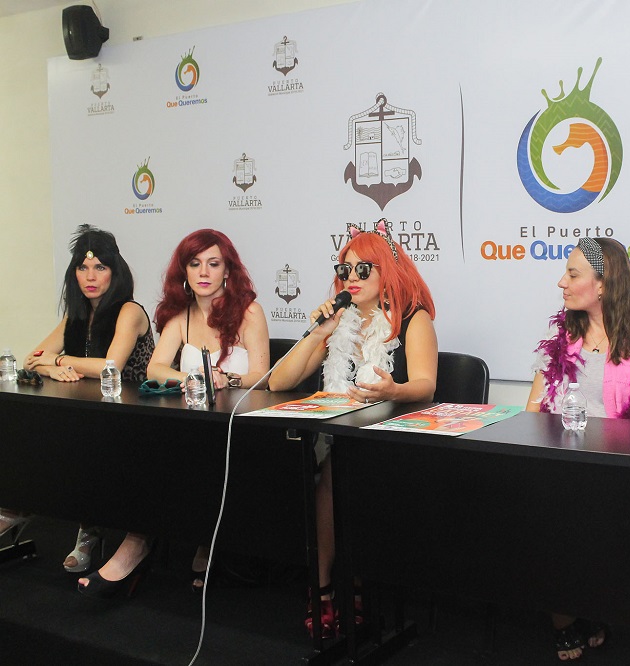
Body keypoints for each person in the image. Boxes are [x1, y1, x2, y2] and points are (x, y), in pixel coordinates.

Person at [77, 228, 270, 598]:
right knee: (143, 448)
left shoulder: (250, 312)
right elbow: (155, 369)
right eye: (195, 264)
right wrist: (195, 378)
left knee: (178, 455)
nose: (203, 272)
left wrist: (227, 379)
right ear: (184, 271)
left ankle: (173, 545)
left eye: (213, 264)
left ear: (227, 271)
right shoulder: (181, 316)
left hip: (240, 430)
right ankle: (136, 545)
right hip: (194, 426)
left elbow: (263, 377)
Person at [269, 219, 437, 638]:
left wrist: (393, 389)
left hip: (394, 440)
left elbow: (426, 385)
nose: (351, 277)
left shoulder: (412, 319)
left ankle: (351, 585)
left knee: (339, 471)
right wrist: (320, 334)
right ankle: (325, 588)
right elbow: (279, 382)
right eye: (344, 269)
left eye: (363, 269)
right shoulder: (339, 320)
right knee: (329, 466)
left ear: (387, 272)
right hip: (338, 439)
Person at [526, 236, 630, 661]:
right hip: (562, 461)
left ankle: (593, 606)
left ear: (603, 283)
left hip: (620, 467)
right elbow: (534, 408)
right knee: (550, 514)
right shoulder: (561, 332)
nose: (561, 282)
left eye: (572, 274)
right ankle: (563, 619)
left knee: (603, 522)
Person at [0, 225, 154, 574]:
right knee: (28, 425)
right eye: (82, 268)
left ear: (115, 271)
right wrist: (53, 368)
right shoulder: (76, 314)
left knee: (76, 439)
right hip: (88, 414)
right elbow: (31, 359)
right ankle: (20, 506)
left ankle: (89, 529)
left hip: (133, 417)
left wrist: (58, 361)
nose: (90, 276)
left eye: (100, 267)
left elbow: (110, 367)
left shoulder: (129, 311)